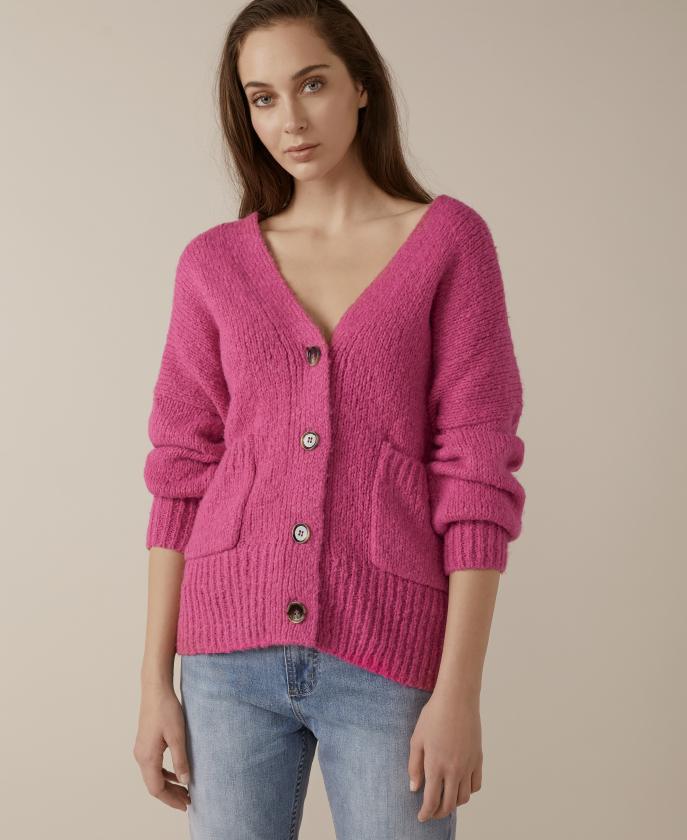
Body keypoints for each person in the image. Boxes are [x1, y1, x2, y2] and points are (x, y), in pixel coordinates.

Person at [133, 1, 526, 837]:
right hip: (224, 663)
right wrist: (153, 683)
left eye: (311, 84)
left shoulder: (449, 242)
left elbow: (476, 471)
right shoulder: (212, 263)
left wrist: (458, 691)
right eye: (262, 97)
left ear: (361, 86)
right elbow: (181, 474)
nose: (290, 119)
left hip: (390, 659)